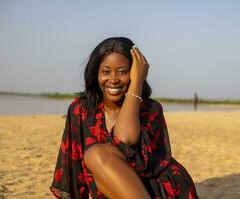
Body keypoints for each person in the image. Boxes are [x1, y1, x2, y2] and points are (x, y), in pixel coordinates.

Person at [50, 37, 198, 199]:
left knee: (96, 154)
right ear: (95, 73)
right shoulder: (80, 110)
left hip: (157, 189)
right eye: (106, 71)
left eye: (122, 71)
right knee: (95, 156)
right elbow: (74, 169)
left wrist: (137, 83)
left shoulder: (150, 109)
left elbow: (125, 138)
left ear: (134, 72)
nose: (113, 79)